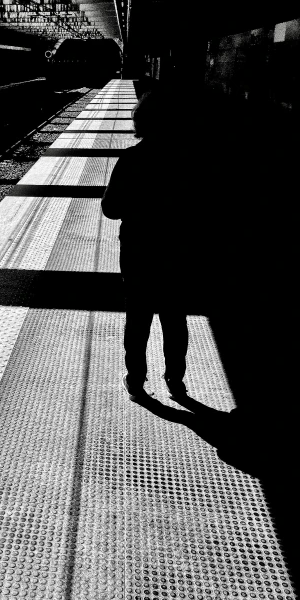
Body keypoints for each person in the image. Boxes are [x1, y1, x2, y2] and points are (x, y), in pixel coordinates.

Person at [101, 82, 209, 403]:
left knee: (138, 317)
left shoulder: (130, 159)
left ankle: (136, 380)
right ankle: (175, 379)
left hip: (138, 252)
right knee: (174, 318)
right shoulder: (190, 161)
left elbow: (111, 208)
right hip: (177, 252)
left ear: (142, 121)